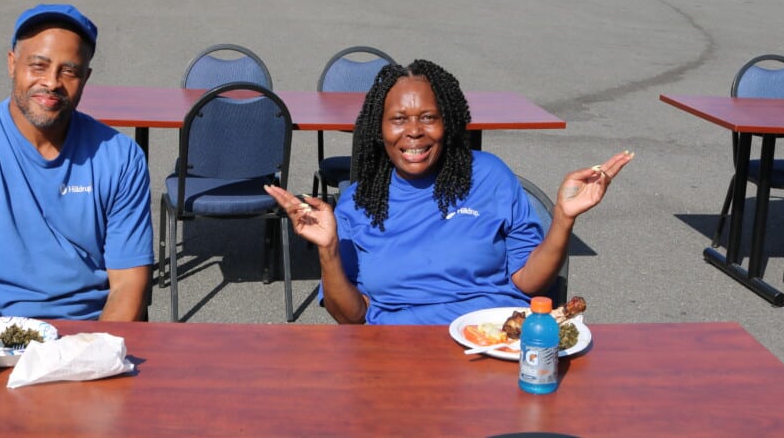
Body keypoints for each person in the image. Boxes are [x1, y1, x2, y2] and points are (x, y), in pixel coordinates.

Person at [266, 59, 632, 325]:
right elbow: (351, 317)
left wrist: (562, 219)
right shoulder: (357, 203)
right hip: (396, 352)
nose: (414, 131)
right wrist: (328, 251)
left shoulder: (489, 175)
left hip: (492, 336)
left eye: (428, 117)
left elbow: (529, 281)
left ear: (449, 123)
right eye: (398, 119)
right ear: (380, 130)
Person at [0, 4, 153, 321]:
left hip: (88, 335)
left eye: (69, 71)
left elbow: (129, 283)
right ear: (12, 64)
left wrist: (94, 353)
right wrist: (0, 344)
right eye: (38, 66)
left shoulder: (120, 156)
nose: (51, 82)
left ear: (86, 78)